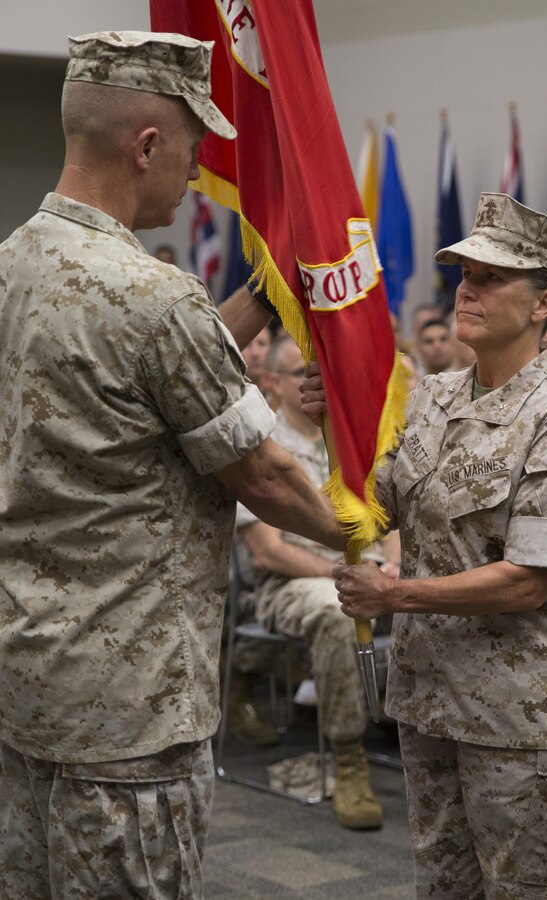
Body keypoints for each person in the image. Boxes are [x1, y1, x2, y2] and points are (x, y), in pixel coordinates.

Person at [0, 32, 346, 900]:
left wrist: (268, 291)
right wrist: (370, 531)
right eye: (194, 148)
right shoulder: (154, 297)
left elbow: (132, 377)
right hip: (130, 706)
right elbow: (263, 473)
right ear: (146, 145)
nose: (198, 172)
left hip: (29, 676)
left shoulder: (13, 264)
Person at [304, 193, 547, 896]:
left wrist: (394, 593)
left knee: (523, 889)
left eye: (492, 277)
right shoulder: (432, 399)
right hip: (433, 696)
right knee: (443, 886)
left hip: (525, 713)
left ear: (542, 305)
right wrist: (331, 431)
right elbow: (367, 515)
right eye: (465, 273)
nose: (468, 287)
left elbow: (529, 581)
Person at [236, 334, 391, 830]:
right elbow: (268, 550)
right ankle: (349, 758)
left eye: (323, 374)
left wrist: (396, 569)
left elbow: (396, 521)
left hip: (369, 572)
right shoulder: (258, 449)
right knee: (333, 607)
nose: (317, 384)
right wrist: (348, 576)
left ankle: (423, 736)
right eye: (305, 373)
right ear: (273, 383)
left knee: (442, 589)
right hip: (292, 582)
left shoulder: (352, 437)